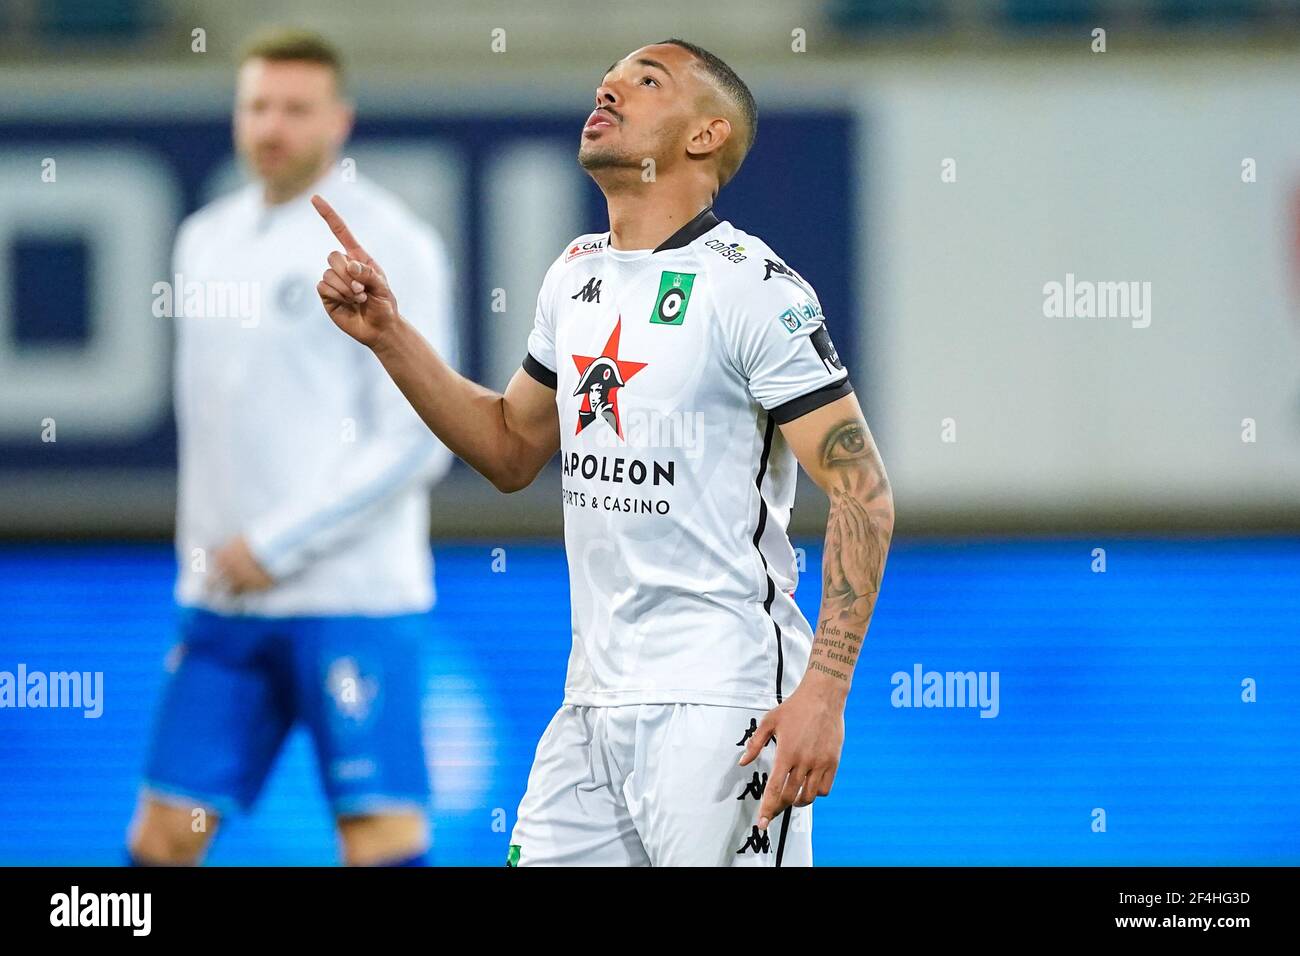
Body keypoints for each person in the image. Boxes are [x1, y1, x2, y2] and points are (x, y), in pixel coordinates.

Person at [312, 38, 892, 866]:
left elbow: (863, 492)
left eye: (645, 82)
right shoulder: (575, 274)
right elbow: (512, 449)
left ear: (705, 136)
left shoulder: (754, 288)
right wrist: (389, 336)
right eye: (607, 81)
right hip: (589, 704)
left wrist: (824, 694)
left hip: (718, 702)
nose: (609, 91)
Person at [127, 28, 456, 866]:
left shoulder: (392, 241)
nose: (273, 126)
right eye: (258, 105)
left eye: (296, 108)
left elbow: (419, 438)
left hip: (353, 598)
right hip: (225, 602)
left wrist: (278, 541)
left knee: (378, 837)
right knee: (165, 837)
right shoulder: (203, 239)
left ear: (338, 120)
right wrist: (206, 562)